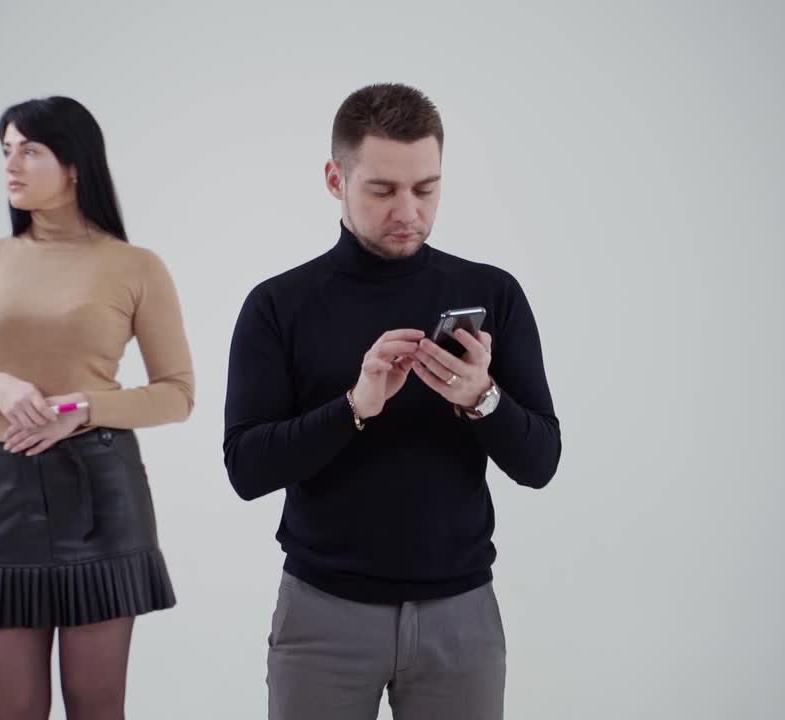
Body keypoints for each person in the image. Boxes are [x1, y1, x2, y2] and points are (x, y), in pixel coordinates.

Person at [222, 83, 561, 719]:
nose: (408, 209)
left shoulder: (493, 293)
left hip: (460, 617)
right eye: (383, 190)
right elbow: (245, 468)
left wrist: (482, 399)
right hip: (322, 616)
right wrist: (355, 405)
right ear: (335, 178)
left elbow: (541, 462)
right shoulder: (278, 305)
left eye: (426, 189)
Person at [0, 95, 193, 720]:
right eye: (6, 151)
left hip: (101, 488)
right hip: (2, 492)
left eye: (30, 150)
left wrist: (82, 408)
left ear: (74, 166)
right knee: (12, 712)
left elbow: (177, 394)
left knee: (96, 710)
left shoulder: (135, 266)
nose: (11, 165)